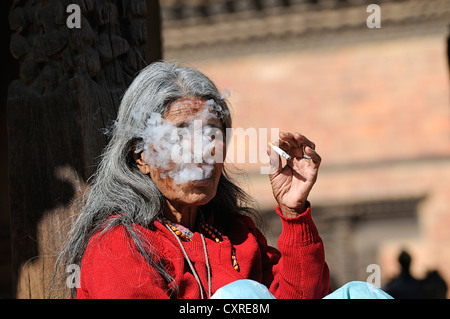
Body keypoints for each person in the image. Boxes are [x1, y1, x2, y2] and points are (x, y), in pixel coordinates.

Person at [57, 61, 390, 299]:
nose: (202, 150)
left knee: (362, 293)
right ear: (141, 157)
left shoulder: (235, 233)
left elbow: (305, 295)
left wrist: (293, 212)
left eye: (212, 133)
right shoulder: (120, 244)